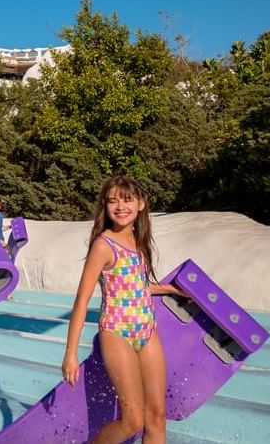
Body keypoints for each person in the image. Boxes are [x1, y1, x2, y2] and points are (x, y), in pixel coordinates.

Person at [61, 175, 183, 444]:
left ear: (141, 204)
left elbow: (137, 286)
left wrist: (171, 289)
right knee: (133, 420)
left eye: (127, 200)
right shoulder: (103, 245)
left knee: (157, 417)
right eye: (112, 201)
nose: (120, 206)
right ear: (104, 206)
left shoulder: (138, 242)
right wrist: (70, 353)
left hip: (146, 330)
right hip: (116, 332)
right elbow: (82, 300)